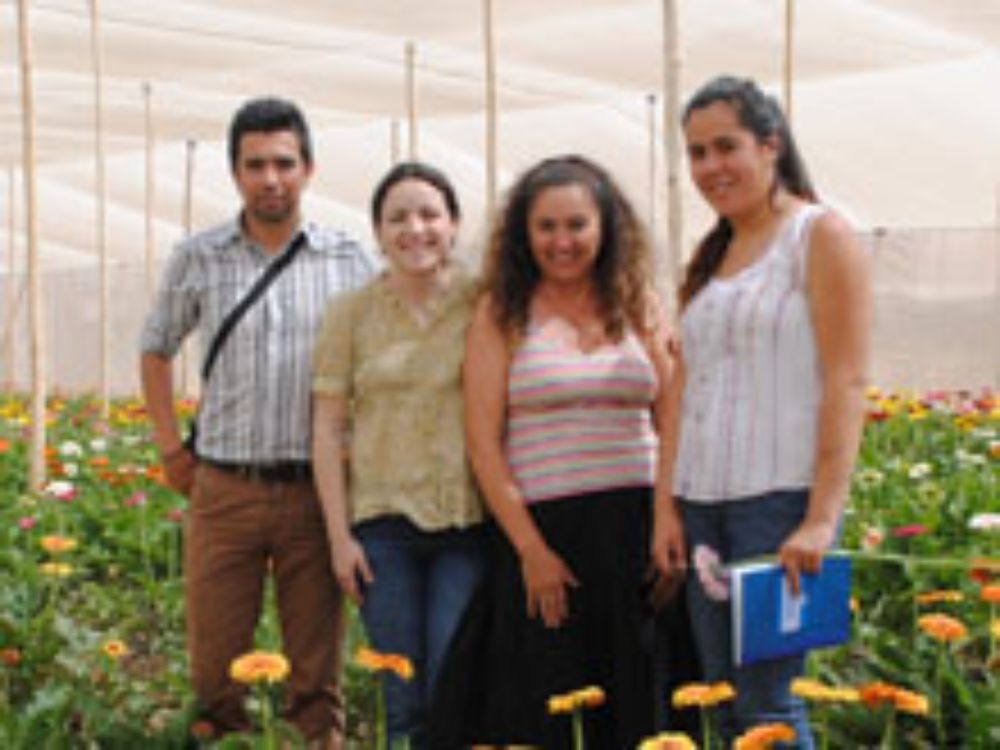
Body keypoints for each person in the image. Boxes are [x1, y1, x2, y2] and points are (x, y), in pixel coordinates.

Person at [139, 97, 375, 748]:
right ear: (235, 173)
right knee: (216, 667)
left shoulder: (347, 260)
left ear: (309, 169)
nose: (271, 178)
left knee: (316, 671)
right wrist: (169, 449)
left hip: (312, 494)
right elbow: (156, 346)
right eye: (255, 165)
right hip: (223, 489)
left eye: (283, 163)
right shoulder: (200, 256)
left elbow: (381, 359)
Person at [651, 75, 871, 747]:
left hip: (778, 507)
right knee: (721, 699)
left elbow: (847, 378)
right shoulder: (712, 256)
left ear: (771, 145)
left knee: (769, 706)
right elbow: (681, 392)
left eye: (727, 147)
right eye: (696, 153)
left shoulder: (820, 235)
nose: (710, 167)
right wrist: (667, 506)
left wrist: (821, 518)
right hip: (704, 504)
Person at [432, 154, 677, 749]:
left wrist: (669, 518)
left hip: (638, 533)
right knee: (546, 701)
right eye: (547, 227)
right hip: (546, 535)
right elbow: (483, 443)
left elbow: (672, 416)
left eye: (577, 225)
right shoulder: (502, 311)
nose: (562, 241)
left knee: (641, 698)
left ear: (606, 228)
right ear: (524, 233)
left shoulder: (636, 301)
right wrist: (531, 550)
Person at [311, 161, 486, 749]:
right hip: (382, 532)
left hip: (467, 525)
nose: (415, 229)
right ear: (379, 232)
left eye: (430, 214)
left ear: (455, 225)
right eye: (398, 218)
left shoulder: (483, 302)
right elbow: (328, 427)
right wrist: (340, 539)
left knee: (452, 686)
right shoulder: (351, 314)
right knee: (402, 699)